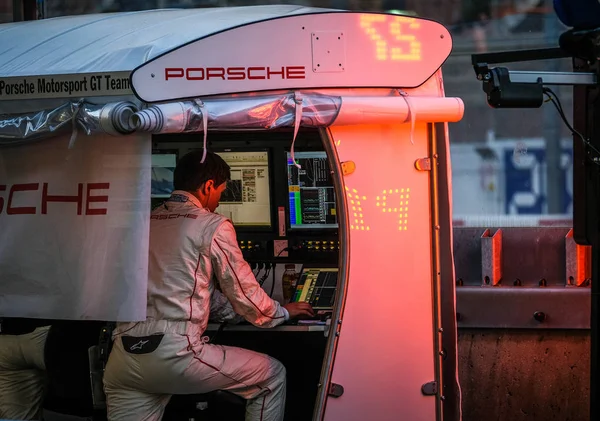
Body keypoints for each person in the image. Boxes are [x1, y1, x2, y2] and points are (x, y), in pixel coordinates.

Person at [103, 150, 314, 421]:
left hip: (124, 359)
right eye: (220, 193)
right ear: (208, 186)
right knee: (271, 377)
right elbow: (245, 295)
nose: (217, 202)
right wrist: (281, 313)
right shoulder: (212, 225)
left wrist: (231, 315)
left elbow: (198, 292)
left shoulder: (142, 224)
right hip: (175, 355)